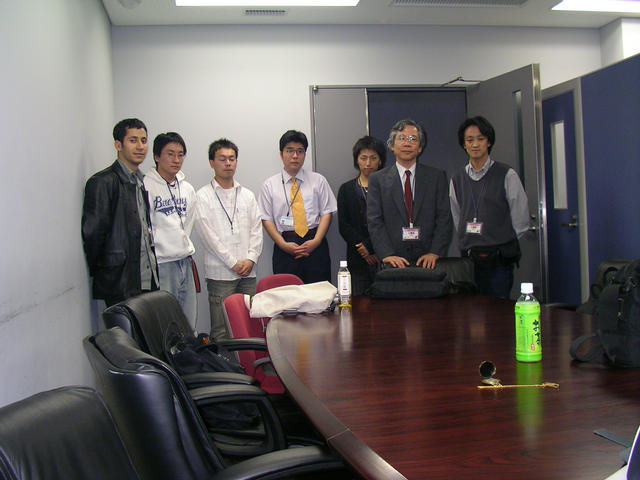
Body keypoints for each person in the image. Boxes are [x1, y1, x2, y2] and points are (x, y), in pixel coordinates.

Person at [449, 116, 529, 298]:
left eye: (480, 139)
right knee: (469, 309)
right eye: (470, 140)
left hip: (499, 258)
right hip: (469, 257)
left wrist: (501, 237)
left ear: (489, 142)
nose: (475, 144)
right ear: (464, 144)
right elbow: (457, 216)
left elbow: (521, 217)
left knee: (497, 309)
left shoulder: (506, 174)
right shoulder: (457, 178)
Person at [82, 118, 158, 306]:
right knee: (124, 326)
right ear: (118, 145)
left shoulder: (140, 181)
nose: (140, 146)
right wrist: (107, 269)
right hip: (119, 281)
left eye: (143, 140)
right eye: (133, 140)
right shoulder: (103, 182)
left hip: (145, 278)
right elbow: (93, 234)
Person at [194, 138, 262, 341]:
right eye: (222, 159)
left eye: (232, 159)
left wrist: (250, 258)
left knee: (250, 326)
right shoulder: (202, 196)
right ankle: (223, 363)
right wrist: (233, 262)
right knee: (221, 330)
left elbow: (256, 230)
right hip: (220, 274)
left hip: (248, 272)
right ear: (211, 162)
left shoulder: (247, 195)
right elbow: (208, 237)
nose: (228, 163)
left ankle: (250, 361)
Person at [367, 119, 452, 269]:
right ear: (392, 145)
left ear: (420, 147)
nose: (407, 143)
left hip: (428, 261)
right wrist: (386, 254)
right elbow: (374, 221)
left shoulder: (436, 177)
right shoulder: (377, 179)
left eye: (413, 139)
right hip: (393, 260)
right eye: (402, 138)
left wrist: (435, 252)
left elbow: (444, 218)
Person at [258, 130, 337, 283]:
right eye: (290, 150)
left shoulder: (318, 180)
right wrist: (282, 244)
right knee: (288, 293)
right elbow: (266, 219)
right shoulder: (269, 185)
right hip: (285, 245)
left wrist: (317, 241)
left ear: (305, 154)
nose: (295, 156)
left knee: (319, 292)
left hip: (315, 243)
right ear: (281, 154)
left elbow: (327, 213)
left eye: (300, 151)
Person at [144, 132, 198, 328]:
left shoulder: (187, 188)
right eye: (170, 154)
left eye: (180, 155)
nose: (176, 160)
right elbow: (145, 226)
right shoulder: (145, 186)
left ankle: (189, 350)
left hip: (185, 260)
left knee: (188, 321)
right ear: (156, 157)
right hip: (161, 263)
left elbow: (188, 222)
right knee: (165, 323)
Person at [337, 136, 386, 294]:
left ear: (380, 160)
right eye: (363, 158)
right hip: (356, 258)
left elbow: (391, 222)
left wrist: (370, 247)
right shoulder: (346, 189)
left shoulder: (389, 188)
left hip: (384, 256)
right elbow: (344, 225)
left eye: (373, 158)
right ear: (356, 160)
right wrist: (363, 249)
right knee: (360, 304)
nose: (368, 163)